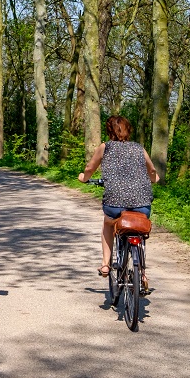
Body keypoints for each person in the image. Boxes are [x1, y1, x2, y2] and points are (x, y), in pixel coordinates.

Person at [78, 116, 159, 279]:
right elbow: (152, 171)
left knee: (108, 224)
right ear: (128, 130)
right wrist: (154, 179)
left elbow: (89, 168)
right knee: (139, 230)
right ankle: (142, 273)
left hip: (115, 203)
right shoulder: (139, 148)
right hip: (142, 203)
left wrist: (83, 178)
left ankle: (106, 264)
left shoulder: (105, 147)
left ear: (109, 130)